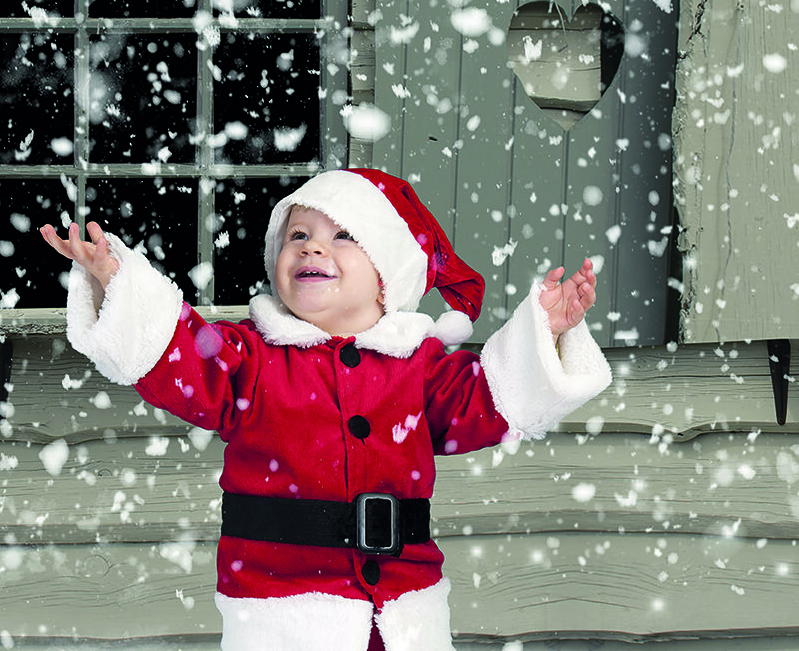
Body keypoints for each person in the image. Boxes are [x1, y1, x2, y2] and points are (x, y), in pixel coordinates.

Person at [40, 168, 612, 651]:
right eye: (299, 235)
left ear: (388, 279)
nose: (313, 246)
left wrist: (547, 332)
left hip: (402, 613)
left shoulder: (422, 369)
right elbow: (178, 354)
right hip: (283, 611)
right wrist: (117, 284)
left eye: (343, 236)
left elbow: (490, 400)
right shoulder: (251, 359)